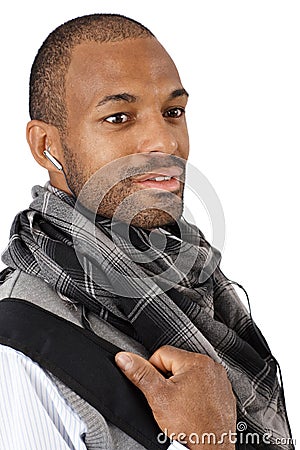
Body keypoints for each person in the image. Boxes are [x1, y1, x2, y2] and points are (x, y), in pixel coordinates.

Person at [0, 13, 294, 450]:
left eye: (173, 112)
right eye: (119, 117)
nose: (165, 141)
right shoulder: (19, 347)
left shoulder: (199, 286)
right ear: (47, 146)